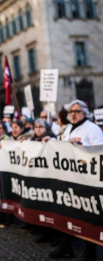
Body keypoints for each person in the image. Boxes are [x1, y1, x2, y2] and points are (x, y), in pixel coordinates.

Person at [49, 99, 103, 260]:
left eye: (77, 111)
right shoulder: (67, 129)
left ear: (85, 113)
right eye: (71, 111)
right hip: (68, 179)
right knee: (66, 212)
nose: (73, 114)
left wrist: (80, 148)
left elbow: (99, 152)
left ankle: (90, 250)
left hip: (86, 181)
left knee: (87, 215)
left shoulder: (92, 129)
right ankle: (66, 247)